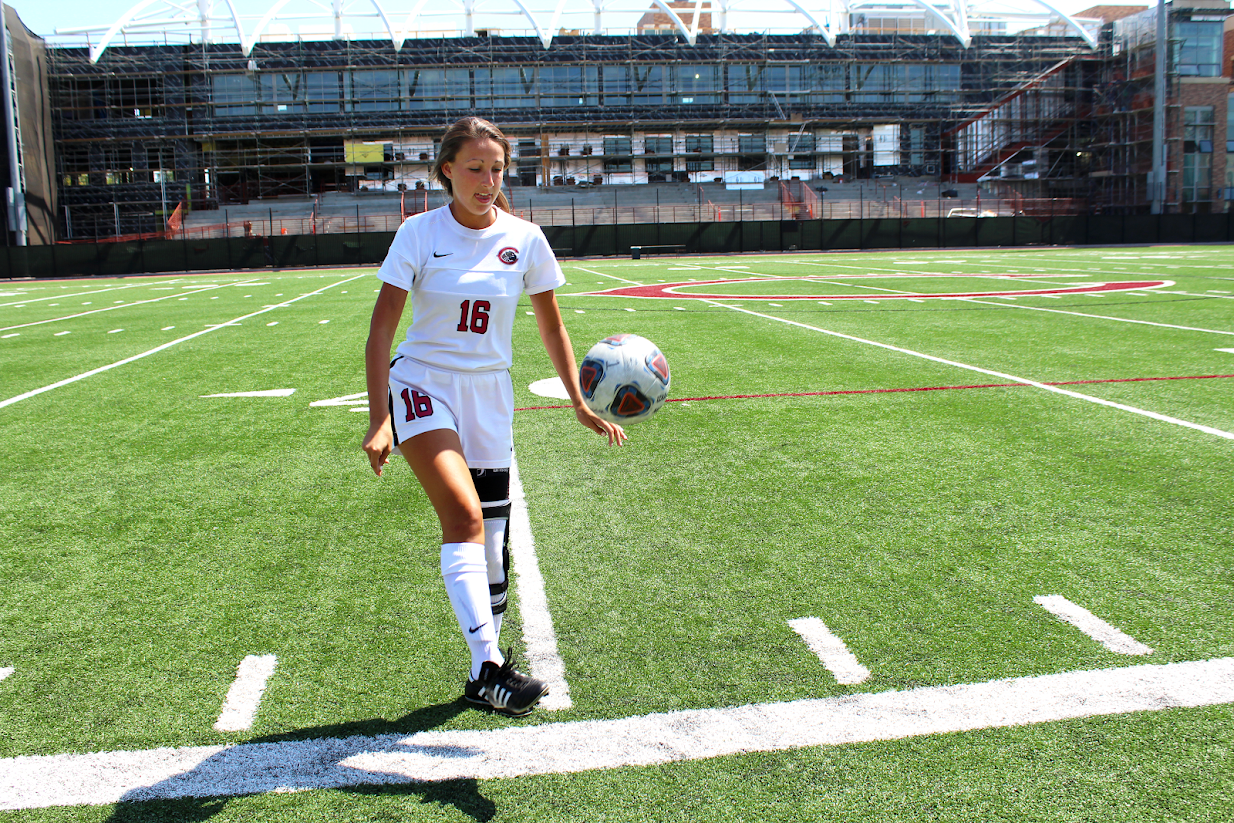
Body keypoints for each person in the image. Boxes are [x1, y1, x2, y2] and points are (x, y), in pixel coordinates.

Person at [362, 116, 626, 717]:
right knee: (462, 515)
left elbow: (551, 324)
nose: (487, 180)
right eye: (474, 168)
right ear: (447, 170)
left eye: (497, 169)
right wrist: (381, 417)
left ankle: (488, 660)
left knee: (492, 544)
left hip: (490, 396)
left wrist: (579, 404)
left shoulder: (526, 238)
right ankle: (488, 667)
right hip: (421, 384)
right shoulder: (417, 233)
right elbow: (382, 330)